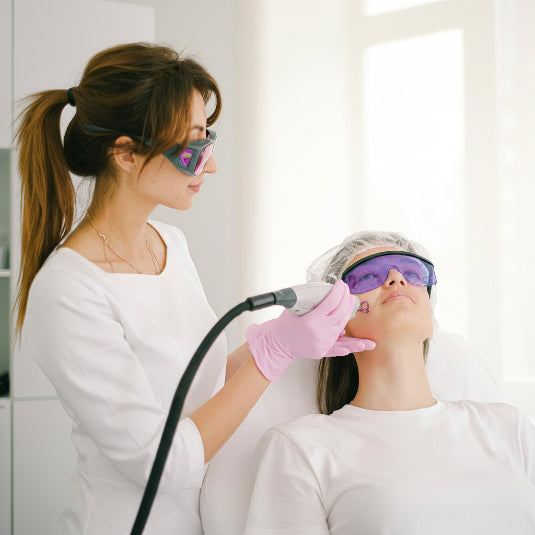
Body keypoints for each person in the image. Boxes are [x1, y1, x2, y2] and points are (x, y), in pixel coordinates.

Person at [14, 42, 374, 535]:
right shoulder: (69, 291)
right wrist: (271, 355)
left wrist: (281, 339)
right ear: (126, 152)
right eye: (192, 148)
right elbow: (159, 464)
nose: (210, 165)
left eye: (209, 140)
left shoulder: (168, 242)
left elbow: (194, 387)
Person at [245, 231, 535, 535]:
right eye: (368, 276)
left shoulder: (508, 427)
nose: (396, 278)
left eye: (413, 273)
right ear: (336, 321)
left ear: (430, 316)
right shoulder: (302, 449)